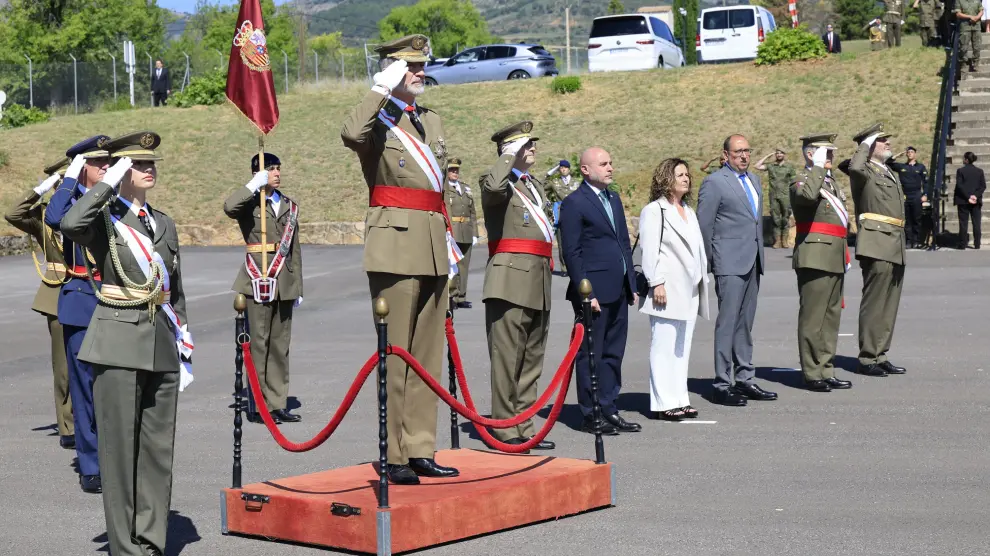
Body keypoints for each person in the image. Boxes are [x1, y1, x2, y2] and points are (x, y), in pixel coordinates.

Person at [61, 131, 192, 556]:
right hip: (117, 340)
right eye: (138, 164)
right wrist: (106, 183)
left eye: (151, 163)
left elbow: (175, 288)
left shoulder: (164, 221)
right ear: (121, 171)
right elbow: (68, 222)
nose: (149, 169)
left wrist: (184, 335)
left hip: (161, 342)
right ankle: (125, 545)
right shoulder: (103, 218)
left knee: (157, 449)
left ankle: (151, 538)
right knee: (119, 453)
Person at [340, 34, 461, 485]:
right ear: (392, 69)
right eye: (410, 66)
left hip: (431, 241)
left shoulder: (431, 119)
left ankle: (420, 447)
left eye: (421, 65)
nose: (420, 72)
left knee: (427, 355)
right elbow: (351, 133)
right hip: (395, 245)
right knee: (396, 354)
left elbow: (439, 189)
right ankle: (392, 454)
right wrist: (379, 89)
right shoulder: (378, 122)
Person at [479, 121, 557, 449]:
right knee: (507, 358)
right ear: (510, 152)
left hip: (538, 280)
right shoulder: (496, 182)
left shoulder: (533, 185)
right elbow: (495, 188)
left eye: (531, 144)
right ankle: (505, 426)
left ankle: (525, 423)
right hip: (509, 280)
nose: (533, 149)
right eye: (525, 146)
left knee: (531, 358)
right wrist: (507, 158)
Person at [44, 134, 110, 494]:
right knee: (84, 389)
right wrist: (69, 178)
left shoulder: (114, 197)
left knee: (114, 387)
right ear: (81, 167)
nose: (106, 167)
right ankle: (91, 464)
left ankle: (117, 457)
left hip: (116, 299)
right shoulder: (69, 201)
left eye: (108, 161)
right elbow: (54, 217)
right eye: (98, 162)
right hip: (82, 299)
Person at [559, 147, 641, 434]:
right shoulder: (574, 203)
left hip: (618, 288)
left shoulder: (613, 198)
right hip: (593, 292)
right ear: (585, 170)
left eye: (611, 163)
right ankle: (590, 412)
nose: (610, 168)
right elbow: (572, 252)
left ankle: (609, 406)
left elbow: (623, 245)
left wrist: (631, 282)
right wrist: (586, 294)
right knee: (591, 353)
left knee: (613, 353)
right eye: (603, 164)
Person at [697, 134, 778, 406]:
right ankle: (722, 382)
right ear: (725, 155)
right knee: (728, 323)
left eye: (747, 151)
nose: (744, 156)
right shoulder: (715, 182)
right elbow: (704, 226)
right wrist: (708, 263)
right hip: (728, 262)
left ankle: (745, 378)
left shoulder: (754, 180)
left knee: (745, 324)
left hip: (753, 260)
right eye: (738, 152)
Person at [223, 152, 303, 424]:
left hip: (284, 281)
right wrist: (253, 185)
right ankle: (258, 405)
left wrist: (298, 286)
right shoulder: (250, 203)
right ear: (258, 172)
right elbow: (229, 206)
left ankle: (278, 402)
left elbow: (295, 250)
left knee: (280, 345)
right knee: (258, 343)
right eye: (270, 169)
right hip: (257, 279)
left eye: (279, 168)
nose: (277, 173)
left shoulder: (289, 206)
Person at [4, 157, 74, 449]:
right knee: (64, 367)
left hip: (96, 291)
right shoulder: (43, 216)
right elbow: (13, 213)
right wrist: (42, 188)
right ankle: (68, 425)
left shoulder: (95, 209)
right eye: (61, 181)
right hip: (58, 294)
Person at [637, 158, 709, 421]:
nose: (685, 178)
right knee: (663, 345)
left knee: (682, 347)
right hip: (666, 288)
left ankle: (680, 398)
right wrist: (656, 281)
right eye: (679, 174)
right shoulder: (655, 211)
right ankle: (662, 402)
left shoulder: (688, 211)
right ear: (666, 178)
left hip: (689, 289)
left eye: (687, 174)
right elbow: (649, 249)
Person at [790, 134, 854, 393]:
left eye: (830, 153)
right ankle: (811, 372)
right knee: (813, 318)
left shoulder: (830, 182)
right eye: (825, 153)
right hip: (814, 256)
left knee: (831, 318)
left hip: (834, 255)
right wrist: (817, 167)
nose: (830, 157)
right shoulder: (803, 179)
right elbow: (806, 198)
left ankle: (826, 369)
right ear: (810, 154)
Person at [847, 123, 908, 377]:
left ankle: (880, 353)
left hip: (895, 242)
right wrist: (864, 143)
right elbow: (854, 166)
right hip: (876, 242)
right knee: (874, 303)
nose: (888, 144)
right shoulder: (864, 172)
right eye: (882, 141)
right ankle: (867, 357)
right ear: (870, 147)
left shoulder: (888, 172)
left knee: (889, 304)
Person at [444, 157, 478, 308]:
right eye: (452, 170)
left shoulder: (465, 188)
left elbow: (473, 212)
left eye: (456, 170)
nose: (455, 173)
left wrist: (475, 233)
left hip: (466, 230)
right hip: (453, 230)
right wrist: (447, 230)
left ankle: (461, 296)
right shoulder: (445, 189)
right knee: (453, 265)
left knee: (464, 265)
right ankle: (451, 296)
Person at [887, 147, 928, 249]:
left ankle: (918, 241)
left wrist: (925, 194)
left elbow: (926, 182)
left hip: (916, 195)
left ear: (915, 154)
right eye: (908, 152)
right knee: (907, 220)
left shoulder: (921, 167)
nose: (910, 154)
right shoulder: (901, 167)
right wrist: (897, 155)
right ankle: (909, 241)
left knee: (917, 219)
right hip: (905, 196)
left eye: (912, 152)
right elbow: (888, 163)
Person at [756, 148, 797, 248]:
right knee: (775, 218)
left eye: (781, 153)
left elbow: (794, 181)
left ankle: (785, 240)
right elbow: (757, 166)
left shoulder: (789, 167)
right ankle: (777, 241)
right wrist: (768, 155)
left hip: (786, 195)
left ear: (784, 154)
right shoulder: (771, 166)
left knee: (785, 217)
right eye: (777, 153)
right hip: (773, 195)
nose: (779, 155)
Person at [545, 159, 578, 273]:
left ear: (569, 169)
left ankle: (576, 266)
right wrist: (550, 172)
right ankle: (565, 268)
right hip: (561, 215)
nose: (563, 169)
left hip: (575, 215)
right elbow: (541, 186)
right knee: (562, 244)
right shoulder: (555, 182)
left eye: (565, 167)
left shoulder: (576, 182)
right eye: (561, 168)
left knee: (576, 242)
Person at [954, 151, 985, 249]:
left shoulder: (960, 171)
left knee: (963, 223)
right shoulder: (979, 171)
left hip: (963, 200)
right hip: (976, 201)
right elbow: (983, 186)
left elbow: (960, 186)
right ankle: (977, 244)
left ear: (966, 160)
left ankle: (962, 244)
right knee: (976, 223)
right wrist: (975, 196)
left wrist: (968, 197)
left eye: (964, 158)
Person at [956, 0, 984, 73]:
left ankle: (976, 64)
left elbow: (981, 10)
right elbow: (958, 14)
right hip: (965, 27)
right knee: (963, 47)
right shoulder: (959, 1)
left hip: (976, 26)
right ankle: (963, 65)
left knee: (977, 46)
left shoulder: (977, 1)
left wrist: (977, 17)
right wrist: (970, 17)